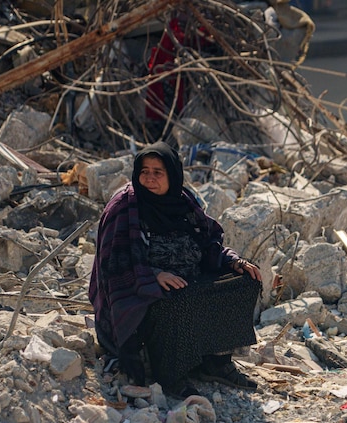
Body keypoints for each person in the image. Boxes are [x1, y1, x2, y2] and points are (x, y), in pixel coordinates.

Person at [88, 142, 263, 398]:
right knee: (173, 300)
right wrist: (153, 276)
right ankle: (170, 376)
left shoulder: (183, 201)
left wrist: (233, 261)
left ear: (173, 173)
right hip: (142, 290)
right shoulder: (124, 207)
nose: (149, 178)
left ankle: (216, 362)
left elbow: (209, 244)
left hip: (189, 281)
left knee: (244, 280)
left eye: (157, 172)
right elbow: (112, 264)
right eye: (144, 171)